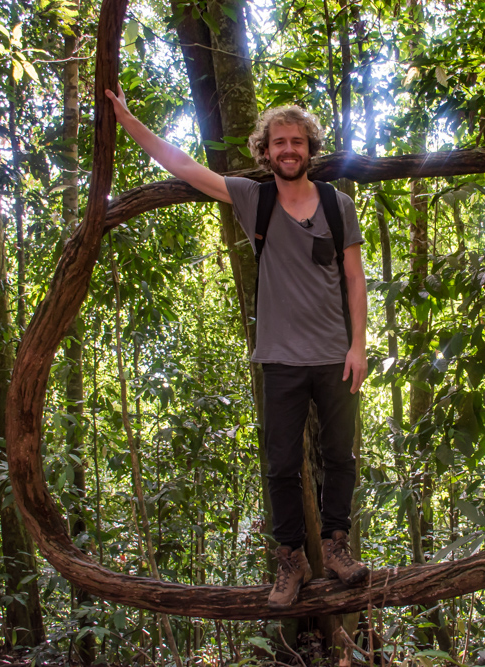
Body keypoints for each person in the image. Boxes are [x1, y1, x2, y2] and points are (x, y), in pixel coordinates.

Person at [105, 85, 370, 610]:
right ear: (265, 151)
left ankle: (337, 546)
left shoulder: (338, 206)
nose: (288, 149)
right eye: (279, 142)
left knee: (341, 456)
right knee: (280, 466)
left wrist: (359, 346)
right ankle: (289, 559)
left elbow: (355, 280)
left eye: (297, 141)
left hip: (334, 354)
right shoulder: (256, 198)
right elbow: (182, 165)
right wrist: (128, 119)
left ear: (310, 148)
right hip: (279, 357)